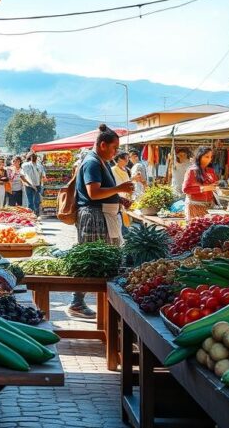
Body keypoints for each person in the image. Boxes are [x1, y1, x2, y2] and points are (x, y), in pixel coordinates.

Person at [71, 125, 134, 318]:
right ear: (103, 145)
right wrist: (120, 188)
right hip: (94, 217)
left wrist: (118, 198)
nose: (116, 152)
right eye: (114, 148)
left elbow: (103, 191)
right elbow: (93, 192)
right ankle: (77, 302)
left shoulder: (102, 161)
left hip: (103, 214)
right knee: (93, 261)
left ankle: (106, 307)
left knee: (103, 260)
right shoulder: (92, 162)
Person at [182, 146, 218, 221]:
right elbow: (185, 189)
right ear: (199, 156)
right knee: (197, 229)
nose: (209, 159)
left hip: (209, 206)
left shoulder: (210, 170)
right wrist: (205, 188)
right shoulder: (192, 171)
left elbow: (214, 185)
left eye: (211, 157)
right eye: (206, 157)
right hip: (195, 206)